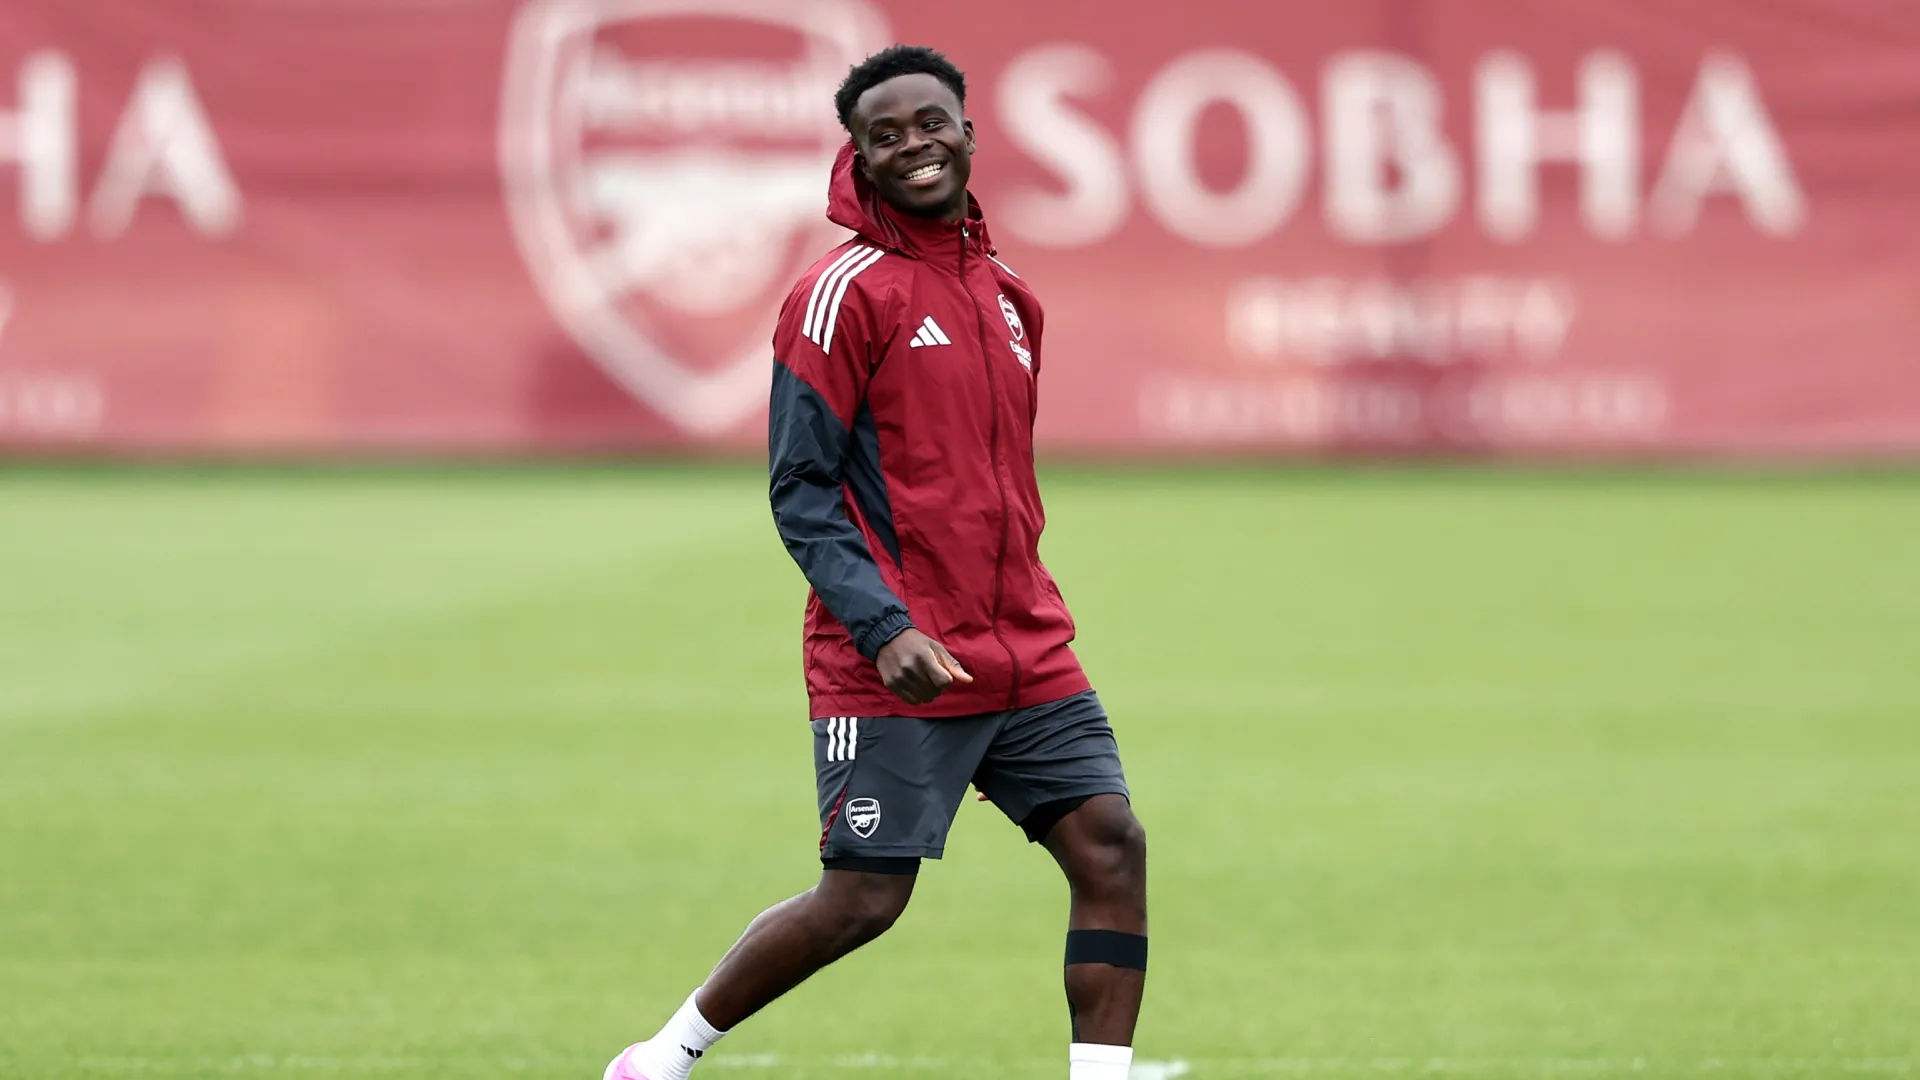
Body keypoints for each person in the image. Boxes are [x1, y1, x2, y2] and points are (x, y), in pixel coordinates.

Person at [605, 45, 1148, 1080]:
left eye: (930, 124)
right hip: (891, 651)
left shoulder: (1008, 296)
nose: (914, 147)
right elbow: (799, 489)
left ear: (969, 133)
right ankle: (661, 1058)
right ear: (858, 156)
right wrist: (884, 626)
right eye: (885, 135)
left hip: (1023, 641)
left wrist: (1020, 605)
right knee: (865, 899)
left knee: (1109, 845)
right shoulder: (840, 294)